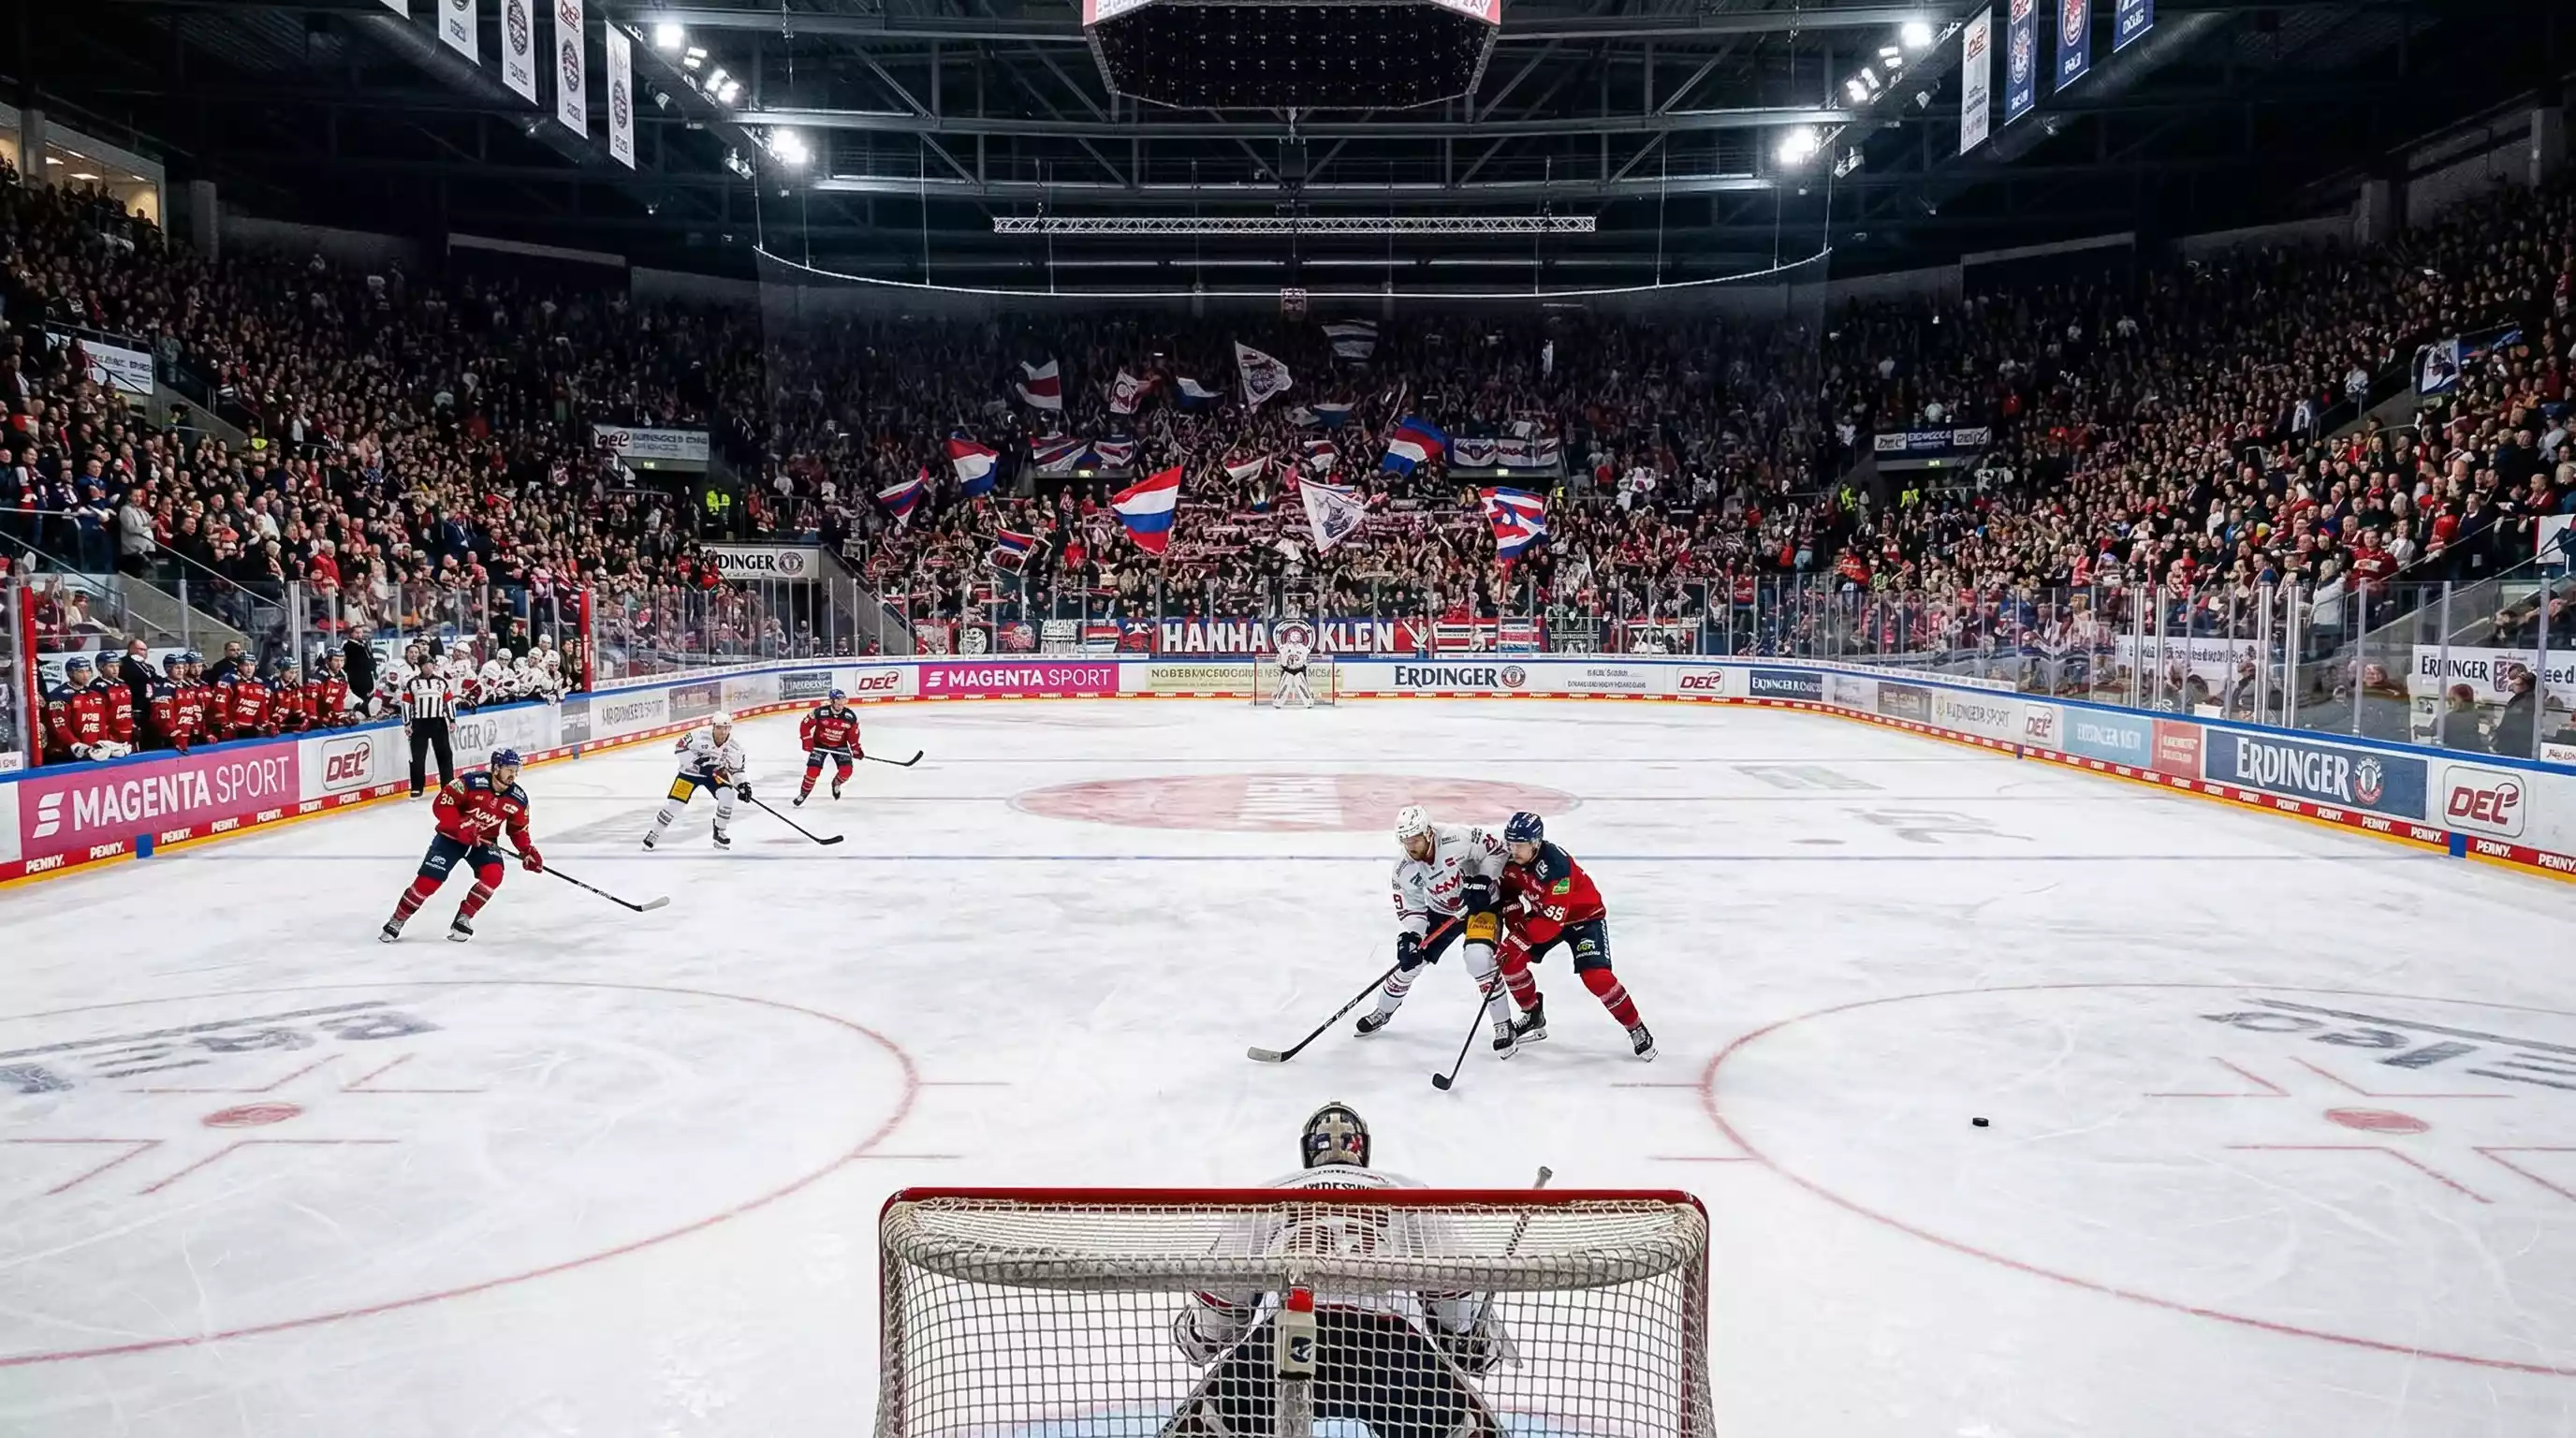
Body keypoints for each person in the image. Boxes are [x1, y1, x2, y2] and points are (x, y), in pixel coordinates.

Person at [1164, 1104, 1508, 1438]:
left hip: (1284, 1343)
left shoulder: (1269, 1192)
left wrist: (1194, 1336)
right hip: (1389, 1350)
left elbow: (1219, 1315)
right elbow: (1457, 1309)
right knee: (1465, 1429)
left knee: (1207, 1424)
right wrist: (1477, 1344)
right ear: (1364, 1149)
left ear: (1307, 1152)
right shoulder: (1409, 1191)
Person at [1357, 805, 1518, 1057]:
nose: (1411, 847)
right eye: (1405, 841)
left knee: (1478, 958)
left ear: (1429, 833)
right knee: (1407, 964)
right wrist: (1412, 936)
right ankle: (1383, 1011)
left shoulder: (1457, 838)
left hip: (1480, 906)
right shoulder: (1404, 869)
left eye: (1415, 840)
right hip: (1441, 912)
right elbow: (1413, 909)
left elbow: (1498, 851)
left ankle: (1503, 1025)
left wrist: (1484, 880)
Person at [1497, 813, 1654, 1060]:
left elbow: (1550, 925)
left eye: (1519, 845)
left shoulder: (1556, 867)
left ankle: (1636, 1027)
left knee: (1596, 977)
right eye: (1510, 843)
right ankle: (1532, 1015)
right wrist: (1514, 918)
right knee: (1508, 961)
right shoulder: (1511, 861)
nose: (1513, 850)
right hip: (1545, 914)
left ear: (1536, 843)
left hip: (1583, 917)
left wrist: (1518, 938)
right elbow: (1507, 892)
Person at [379, 748, 541, 944]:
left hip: (483, 841)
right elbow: (441, 804)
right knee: (428, 882)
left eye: (516, 769)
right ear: (496, 768)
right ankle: (398, 919)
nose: (513, 774)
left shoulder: (518, 798)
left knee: (493, 875)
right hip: (451, 837)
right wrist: (460, 825)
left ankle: (463, 918)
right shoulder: (470, 783)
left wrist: (527, 851)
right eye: (509, 769)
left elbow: (518, 829)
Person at [643, 711, 749, 850]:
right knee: (674, 804)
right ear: (713, 727)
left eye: (726, 728)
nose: (723, 732)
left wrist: (743, 785)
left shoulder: (735, 748)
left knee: (728, 795)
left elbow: (737, 771)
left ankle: (720, 832)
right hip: (689, 774)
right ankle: (654, 833)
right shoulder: (698, 736)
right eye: (719, 728)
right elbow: (680, 747)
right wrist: (695, 764)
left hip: (714, 775)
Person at [397, 650, 460, 798]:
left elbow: (448, 702)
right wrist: (407, 723)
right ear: (420, 667)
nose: (428, 668)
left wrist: (452, 720)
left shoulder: (441, 682)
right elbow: (406, 704)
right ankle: (417, 787)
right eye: (425, 665)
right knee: (418, 757)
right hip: (419, 723)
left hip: (438, 722)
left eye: (430, 664)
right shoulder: (412, 683)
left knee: (444, 755)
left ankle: (447, 784)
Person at [794, 689, 863, 806]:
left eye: (843, 701)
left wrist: (855, 748)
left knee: (847, 771)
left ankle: (836, 783)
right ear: (831, 701)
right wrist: (807, 740)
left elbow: (853, 735)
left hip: (840, 745)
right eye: (838, 701)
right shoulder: (820, 712)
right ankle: (803, 793)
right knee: (812, 772)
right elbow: (805, 725)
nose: (841, 704)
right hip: (820, 745)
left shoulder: (850, 716)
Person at [40, 655, 111, 762]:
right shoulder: (58, 695)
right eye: (80, 672)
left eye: (88, 671)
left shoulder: (95, 695)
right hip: (67, 752)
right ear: (70, 673)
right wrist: (75, 744)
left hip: (92, 751)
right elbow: (59, 725)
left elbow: (100, 723)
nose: (85, 675)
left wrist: (104, 743)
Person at [2489, 668, 2539, 758]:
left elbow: (2511, 723)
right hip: (2514, 744)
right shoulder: (2521, 698)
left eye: (2516, 684)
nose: (2513, 686)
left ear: (2525, 686)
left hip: (2516, 746)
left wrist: (2498, 734)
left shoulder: (2526, 702)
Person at [1271, 630, 1316, 708]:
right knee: (1284, 687)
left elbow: (1306, 660)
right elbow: (1279, 658)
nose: (1296, 639)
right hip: (1287, 670)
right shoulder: (1284, 647)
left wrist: (1305, 664)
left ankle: (1309, 702)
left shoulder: (1303, 648)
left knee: (1303, 686)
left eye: (1297, 637)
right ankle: (1278, 702)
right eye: (1294, 637)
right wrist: (1281, 664)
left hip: (1299, 670)